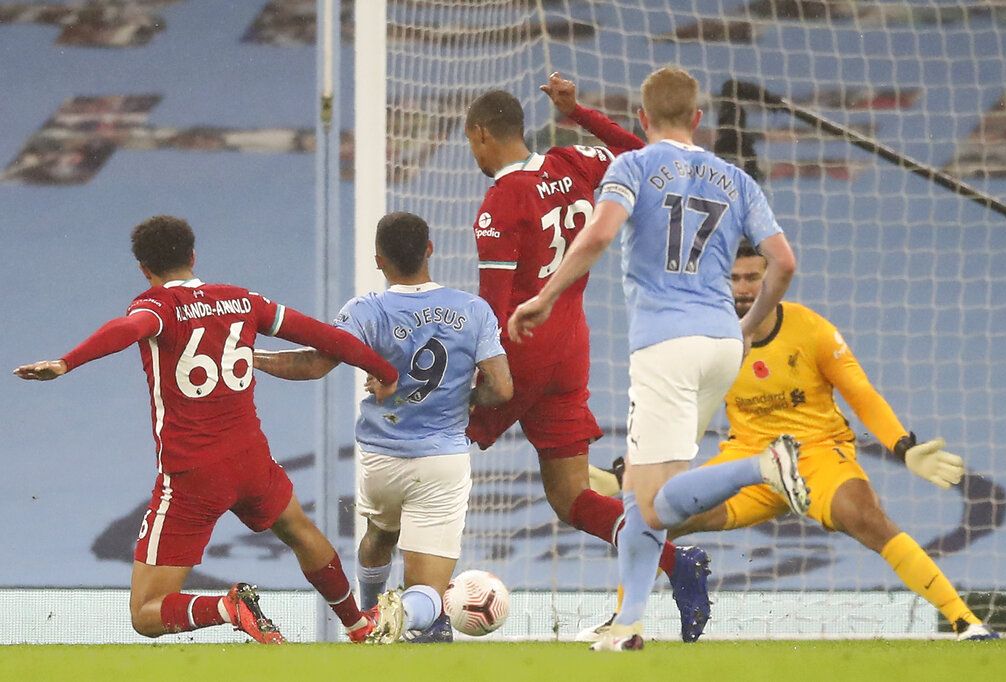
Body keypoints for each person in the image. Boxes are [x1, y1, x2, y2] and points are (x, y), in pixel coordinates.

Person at [508, 66, 809, 651]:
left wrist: (545, 296)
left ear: (643, 119)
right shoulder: (736, 179)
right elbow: (784, 262)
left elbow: (596, 236)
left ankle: (764, 467)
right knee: (642, 495)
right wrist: (748, 323)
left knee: (651, 500)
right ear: (698, 120)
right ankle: (629, 625)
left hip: (666, 348)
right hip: (721, 343)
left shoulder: (634, 166)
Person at [13, 215, 399, 644]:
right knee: (301, 533)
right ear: (193, 256)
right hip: (252, 461)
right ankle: (357, 623)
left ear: (144, 268)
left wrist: (67, 361)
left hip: (193, 473)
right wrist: (383, 370)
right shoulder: (242, 301)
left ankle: (227, 607)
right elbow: (326, 336)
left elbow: (126, 330)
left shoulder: (155, 307)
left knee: (145, 613)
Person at [590, 242, 999, 641]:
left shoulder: (811, 330)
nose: (743, 287)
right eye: (733, 278)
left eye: (752, 276)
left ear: (771, 280)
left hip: (817, 454)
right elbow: (684, 414)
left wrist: (903, 446)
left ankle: (965, 622)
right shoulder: (709, 340)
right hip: (748, 460)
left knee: (867, 518)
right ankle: (624, 623)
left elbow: (861, 394)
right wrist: (632, 469)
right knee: (652, 514)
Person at [463, 78, 712, 641]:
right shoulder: (573, 161)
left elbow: (491, 309)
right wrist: (580, 114)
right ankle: (679, 563)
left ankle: (421, 606)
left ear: (482, 135)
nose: (474, 155)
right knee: (571, 496)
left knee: (433, 447)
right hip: (572, 341)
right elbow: (641, 154)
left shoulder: (501, 201)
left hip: (523, 346)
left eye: (472, 143)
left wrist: (476, 378)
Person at [254, 212, 513, 644]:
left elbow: (314, 364)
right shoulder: (473, 310)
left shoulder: (365, 310)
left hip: (381, 459)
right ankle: (388, 620)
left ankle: (366, 613)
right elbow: (502, 388)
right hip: (441, 460)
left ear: (378, 260)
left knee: (379, 533)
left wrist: (252, 356)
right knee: (428, 597)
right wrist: (465, 397)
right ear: (430, 249)